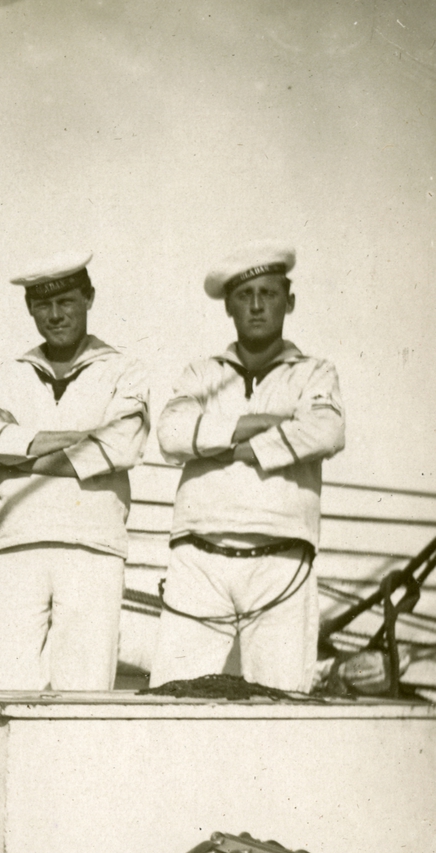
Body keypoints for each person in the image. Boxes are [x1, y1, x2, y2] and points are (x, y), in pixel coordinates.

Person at [149, 240, 345, 693]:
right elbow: (172, 434)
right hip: (198, 557)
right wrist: (259, 424)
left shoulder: (314, 372)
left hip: (282, 558)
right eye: (244, 295)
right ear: (228, 307)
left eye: (268, 293)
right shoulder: (201, 373)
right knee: (173, 699)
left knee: (281, 701)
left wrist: (221, 446)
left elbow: (326, 431)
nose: (256, 306)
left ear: (288, 301)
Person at [0, 251, 149, 691]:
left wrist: (17, 448)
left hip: (93, 545)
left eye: (66, 301)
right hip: (16, 541)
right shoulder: (10, 373)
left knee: (84, 691)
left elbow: (120, 444)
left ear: (89, 298)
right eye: (42, 304)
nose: (54, 315)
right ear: (29, 308)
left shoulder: (124, 369)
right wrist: (80, 439)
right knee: (1, 686)